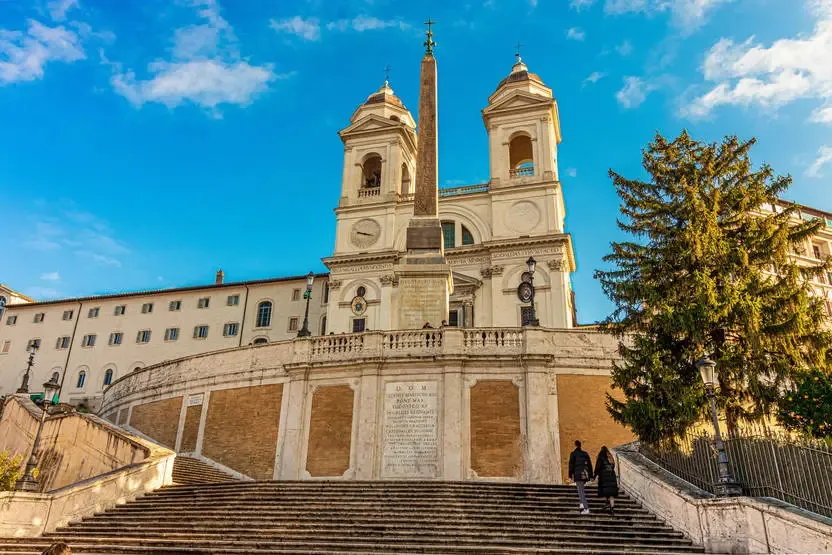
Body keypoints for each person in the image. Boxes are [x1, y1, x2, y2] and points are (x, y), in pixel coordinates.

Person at [568, 439, 593, 514]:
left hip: (578, 475)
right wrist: (591, 475)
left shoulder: (573, 454)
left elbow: (571, 465)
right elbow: (589, 465)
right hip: (584, 475)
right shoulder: (585, 453)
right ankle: (582, 504)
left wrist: (570, 476)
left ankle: (586, 508)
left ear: (575, 445)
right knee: (580, 490)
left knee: (581, 491)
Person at [594, 446, 619, 515]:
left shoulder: (601, 457)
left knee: (603, 490)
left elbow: (597, 468)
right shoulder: (610, 457)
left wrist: (594, 476)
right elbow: (613, 467)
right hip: (612, 477)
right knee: (611, 494)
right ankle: (612, 509)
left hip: (604, 477)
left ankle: (607, 503)